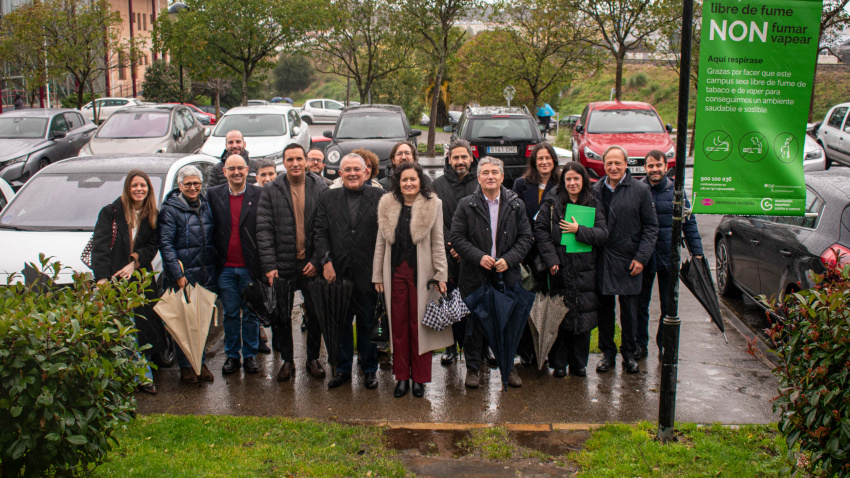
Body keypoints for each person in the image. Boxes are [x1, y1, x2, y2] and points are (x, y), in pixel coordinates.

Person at [450, 156, 533, 389]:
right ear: (479, 178)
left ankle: (509, 367)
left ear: (502, 176)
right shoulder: (466, 204)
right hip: (475, 276)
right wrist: (478, 257)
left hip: (506, 274)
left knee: (507, 323)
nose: (490, 176)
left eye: (495, 172)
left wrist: (510, 259)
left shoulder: (516, 204)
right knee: (474, 324)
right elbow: (457, 237)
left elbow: (527, 238)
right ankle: (473, 369)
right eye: (485, 172)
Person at [373, 162, 451, 398]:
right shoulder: (387, 203)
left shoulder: (433, 204)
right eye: (404, 180)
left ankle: (419, 379)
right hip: (395, 275)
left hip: (423, 277)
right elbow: (380, 242)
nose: (408, 184)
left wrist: (441, 274)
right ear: (398, 182)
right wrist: (377, 274)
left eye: (413, 180)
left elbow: (438, 242)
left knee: (420, 327)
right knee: (398, 327)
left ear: (420, 182)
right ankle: (402, 378)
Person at [257, 143, 329, 382]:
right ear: (284, 163)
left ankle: (312, 358)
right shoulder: (271, 190)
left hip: (311, 264)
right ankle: (287, 360)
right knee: (281, 315)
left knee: (316, 314)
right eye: (290, 160)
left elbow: (326, 228)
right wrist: (269, 265)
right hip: (282, 264)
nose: (295, 163)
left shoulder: (321, 187)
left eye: (299, 159)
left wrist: (318, 261)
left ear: (306, 161)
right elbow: (264, 229)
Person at [313, 153, 386, 389]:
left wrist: (380, 271)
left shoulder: (380, 196)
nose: (353, 173)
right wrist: (326, 262)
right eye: (348, 169)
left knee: (368, 323)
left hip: (369, 274)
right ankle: (342, 369)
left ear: (366, 172)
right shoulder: (328, 197)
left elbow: (386, 235)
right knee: (341, 323)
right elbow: (320, 232)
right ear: (340, 173)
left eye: (357, 169)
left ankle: (369, 369)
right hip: (338, 273)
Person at [534, 163, 608, 377]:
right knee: (560, 317)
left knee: (583, 319)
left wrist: (579, 230)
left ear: (583, 180)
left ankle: (579, 363)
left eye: (576, 179)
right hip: (559, 267)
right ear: (563, 181)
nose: (573, 183)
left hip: (586, 269)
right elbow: (540, 230)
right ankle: (558, 363)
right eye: (568, 179)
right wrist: (551, 259)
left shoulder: (593, 201)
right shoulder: (551, 201)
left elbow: (602, 233)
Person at [91, 170, 160, 394]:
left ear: (148, 189)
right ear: (127, 188)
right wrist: (101, 278)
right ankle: (127, 377)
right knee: (123, 330)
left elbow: (152, 246)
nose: (139, 189)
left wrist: (136, 262)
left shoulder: (152, 214)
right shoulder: (110, 212)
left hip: (141, 280)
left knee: (143, 328)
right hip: (115, 279)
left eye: (143, 185)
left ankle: (145, 376)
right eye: (135, 185)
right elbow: (100, 247)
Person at [591, 146, 658, 375]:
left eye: (618, 163)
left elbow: (651, 227)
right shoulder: (595, 190)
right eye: (609, 163)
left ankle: (629, 354)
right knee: (605, 311)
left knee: (629, 311)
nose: (613, 167)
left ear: (626, 164)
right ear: (603, 164)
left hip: (630, 261)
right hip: (602, 260)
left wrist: (641, 258)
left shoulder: (640, 190)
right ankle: (607, 354)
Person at [638, 150, 703, 358]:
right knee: (641, 306)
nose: (654, 169)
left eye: (658, 165)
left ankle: (664, 346)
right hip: (644, 258)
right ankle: (641, 346)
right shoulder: (638, 189)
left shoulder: (676, 190)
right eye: (650, 165)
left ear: (666, 167)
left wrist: (697, 252)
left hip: (668, 257)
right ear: (645, 168)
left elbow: (689, 222)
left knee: (668, 307)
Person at [159, 165, 217, 384]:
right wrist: (177, 274)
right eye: (188, 184)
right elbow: (165, 244)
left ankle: (199, 363)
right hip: (183, 276)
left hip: (205, 273)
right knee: (184, 323)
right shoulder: (170, 209)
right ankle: (186, 367)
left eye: (197, 184)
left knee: (201, 323)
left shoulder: (206, 206)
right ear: (180, 186)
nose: (193, 188)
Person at [208, 154, 263, 375]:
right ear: (224, 171)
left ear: (247, 169)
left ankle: (250, 355)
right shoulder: (213, 195)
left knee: (250, 313)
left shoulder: (259, 194)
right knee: (230, 314)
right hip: (226, 267)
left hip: (250, 267)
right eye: (232, 168)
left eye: (240, 168)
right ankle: (232, 355)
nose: (236, 172)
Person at [512, 142, 560, 366]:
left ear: (554, 161)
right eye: (540, 158)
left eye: (548, 158)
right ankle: (527, 352)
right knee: (528, 303)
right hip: (528, 253)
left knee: (551, 303)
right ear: (533, 162)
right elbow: (513, 217)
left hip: (553, 253)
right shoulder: (521, 184)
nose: (544, 162)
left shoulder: (561, 184)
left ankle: (549, 350)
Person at [431, 139, 477, 365]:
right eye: (455, 157)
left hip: (476, 254)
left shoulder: (480, 181)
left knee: (475, 303)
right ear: (449, 160)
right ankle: (450, 347)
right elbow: (435, 219)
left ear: (471, 158)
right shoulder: (437, 185)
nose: (460, 161)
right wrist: (454, 245)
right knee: (450, 301)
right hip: (447, 253)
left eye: (464, 157)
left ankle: (480, 347)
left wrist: (468, 248)